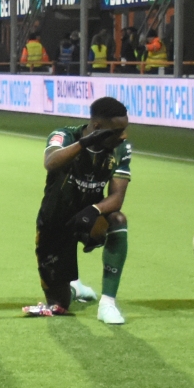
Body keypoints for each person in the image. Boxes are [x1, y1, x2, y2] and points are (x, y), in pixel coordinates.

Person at [26, 97, 131, 324]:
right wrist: (84, 144)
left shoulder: (121, 148)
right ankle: (74, 289)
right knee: (59, 304)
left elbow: (117, 197)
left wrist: (94, 209)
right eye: (118, 131)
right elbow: (51, 162)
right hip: (55, 223)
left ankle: (108, 304)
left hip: (90, 219)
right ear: (97, 128)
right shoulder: (64, 136)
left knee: (117, 220)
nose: (124, 136)